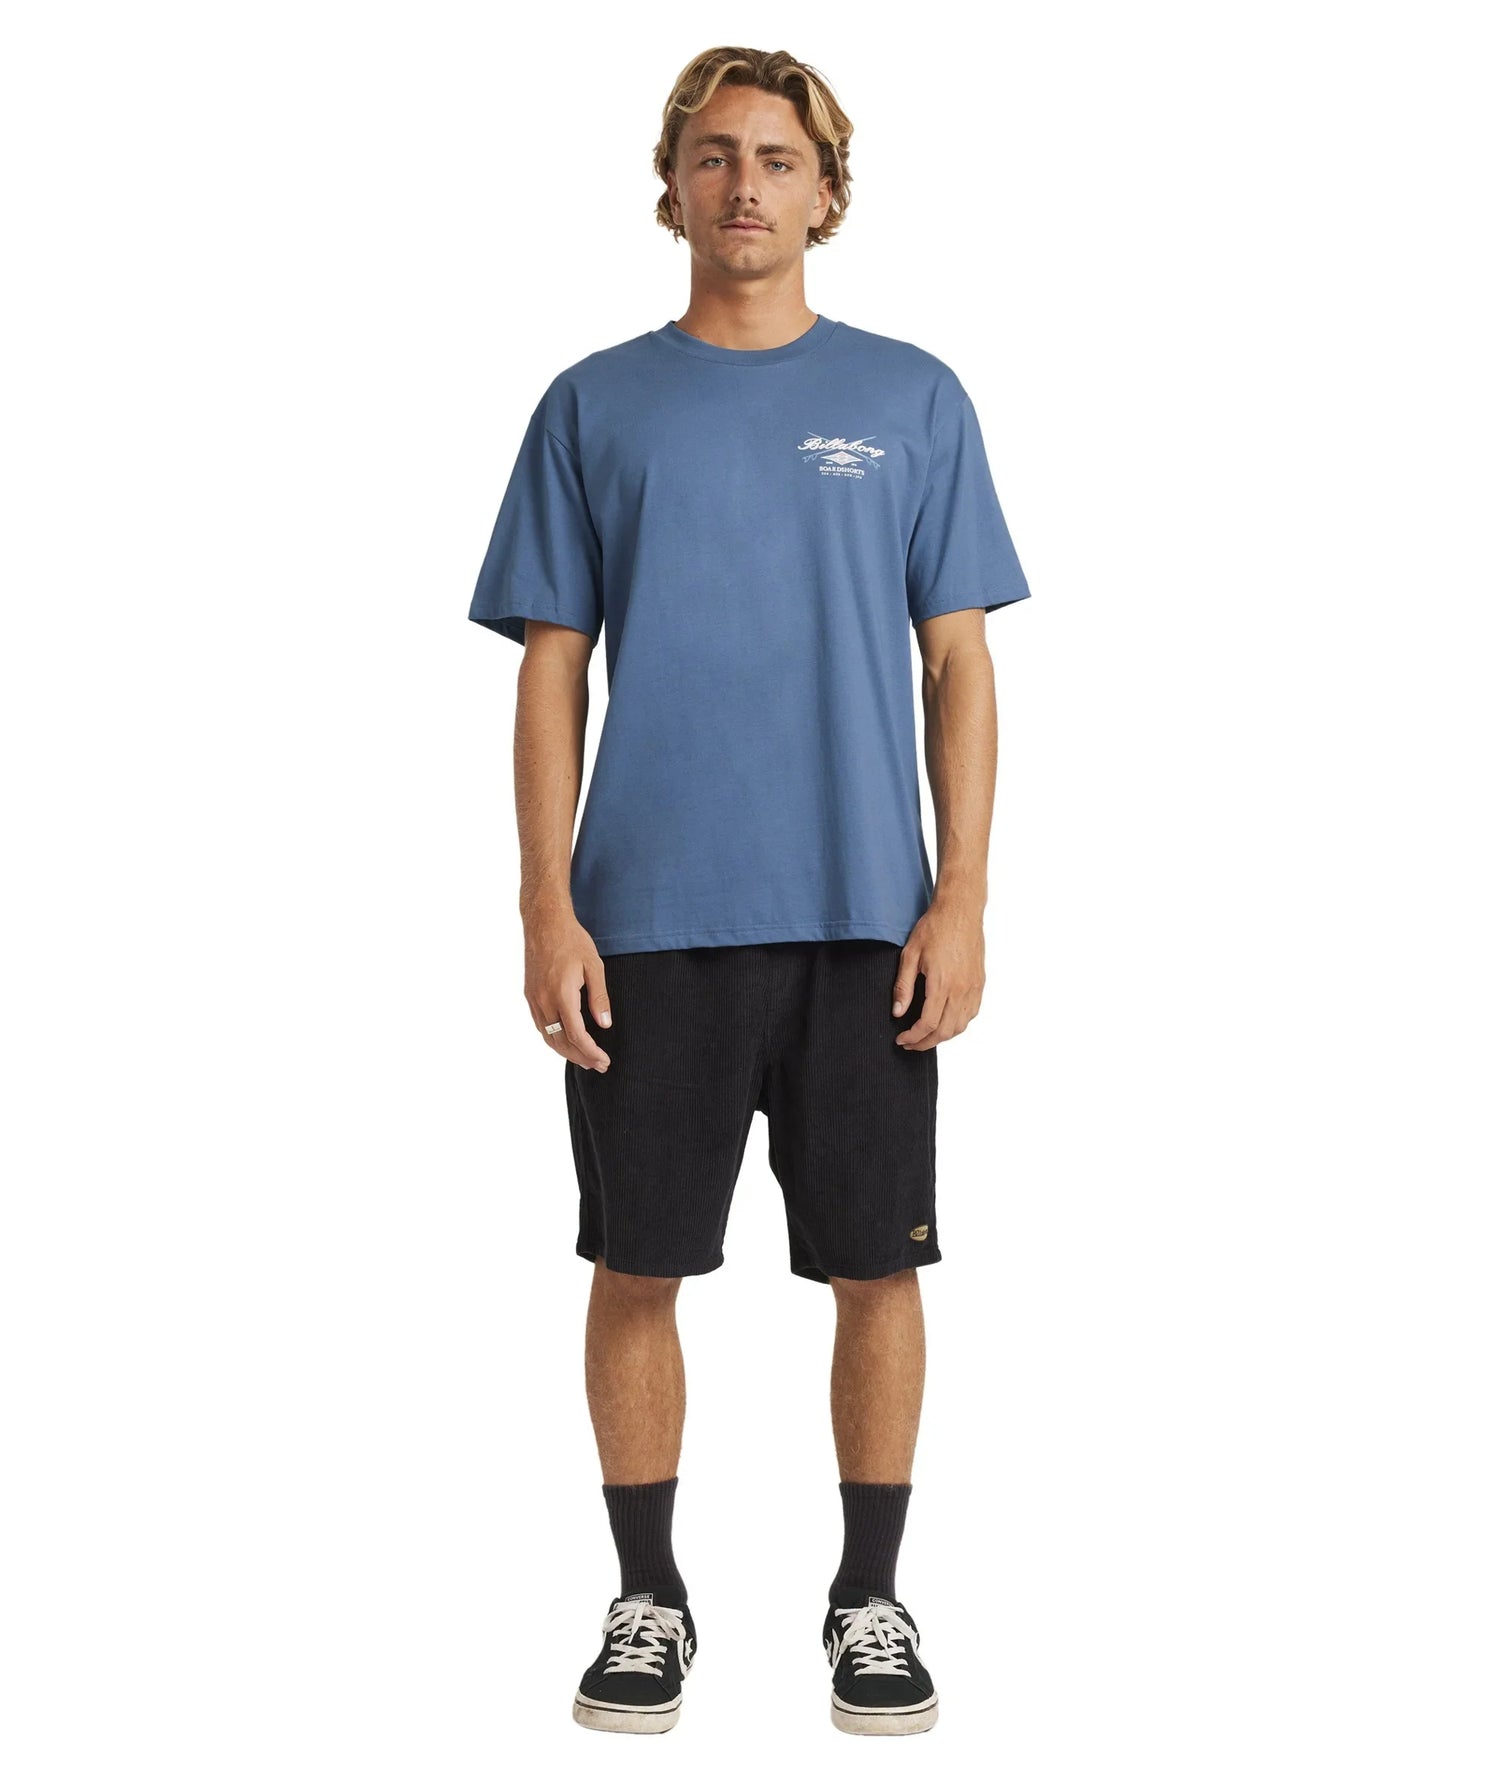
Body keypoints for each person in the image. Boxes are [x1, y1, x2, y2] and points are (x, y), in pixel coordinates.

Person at [467, 45, 1031, 1737]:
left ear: (827, 194)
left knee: (879, 1266)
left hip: (868, 917)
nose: (744, 186)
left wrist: (964, 895)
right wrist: (545, 904)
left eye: (779, 160)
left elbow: (961, 666)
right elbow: (550, 670)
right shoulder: (593, 405)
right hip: (647, 921)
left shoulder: (914, 398)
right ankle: (648, 1595)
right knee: (637, 1263)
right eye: (714, 156)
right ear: (671, 185)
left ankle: (870, 1598)